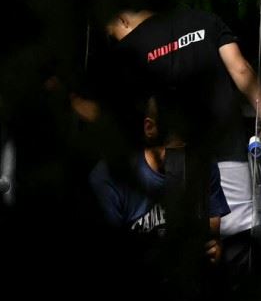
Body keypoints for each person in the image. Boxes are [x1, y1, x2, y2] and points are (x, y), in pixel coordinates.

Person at [94, 0, 261, 277]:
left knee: (185, 253)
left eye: (112, 34)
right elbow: (241, 70)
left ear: (122, 18)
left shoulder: (127, 50)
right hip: (228, 152)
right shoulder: (205, 20)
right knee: (239, 250)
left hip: (173, 163)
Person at [88, 94, 229, 263]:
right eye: (183, 144)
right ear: (150, 128)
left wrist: (213, 248)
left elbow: (212, 235)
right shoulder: (110, 177)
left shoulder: (203, 164)